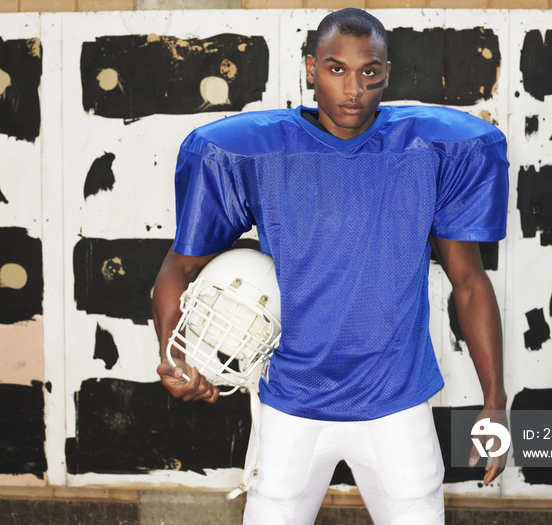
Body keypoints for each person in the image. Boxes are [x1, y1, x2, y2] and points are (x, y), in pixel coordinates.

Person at [153, 7, 509, 524]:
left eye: (369, 70)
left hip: (395, 400)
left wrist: (495, 399)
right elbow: (178, 270)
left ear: (387, 72)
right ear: (309, 69)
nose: (353, 88)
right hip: (292, 399)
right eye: (336, 68)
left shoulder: (428, 150)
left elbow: (470, 284)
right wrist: (174, 355)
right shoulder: (258, 155)